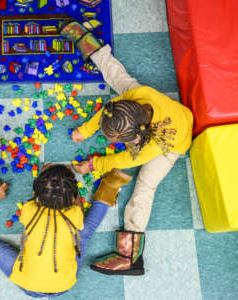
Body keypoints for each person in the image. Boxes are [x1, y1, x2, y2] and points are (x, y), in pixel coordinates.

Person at [60, 20, 194, 276]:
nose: (113, 143)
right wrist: (85, 130)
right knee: (120, 79)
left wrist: (92, 165)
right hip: (155, 114)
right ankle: (91, 45)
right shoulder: (137, 96)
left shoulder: (149, 147)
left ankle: (130, 257)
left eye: (117, 140)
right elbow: (106, 114)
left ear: (133, 139)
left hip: (174, 144)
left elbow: (120, 160)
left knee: (145, 187)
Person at [0, 164, 132, 297]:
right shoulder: (75, 216)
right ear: (75, 197)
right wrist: (74, 199)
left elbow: (39, 200)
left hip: (32, 282)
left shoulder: (29, 210)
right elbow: (78, 211)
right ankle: (108, 188)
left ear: (36, 193)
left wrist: (46, 176)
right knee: (87, 230)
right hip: (61, 285)